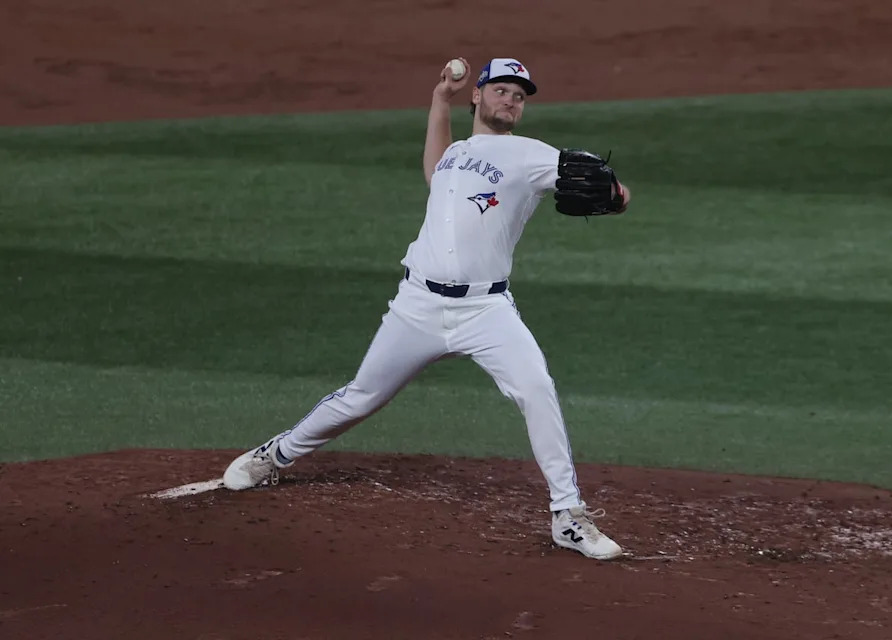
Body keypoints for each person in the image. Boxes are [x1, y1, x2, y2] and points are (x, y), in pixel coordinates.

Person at [223, 57, 632, 561]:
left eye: (520, 95)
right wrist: (439, 99)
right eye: (502, 89)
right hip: (417, 304)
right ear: (477, 96)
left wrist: (615, 196)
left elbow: (615, 193)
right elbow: (435, 171)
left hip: (486, 309)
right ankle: (275, 455)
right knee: (361, 397)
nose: (511, 100)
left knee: (536, 388)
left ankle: (567, 515)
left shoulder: (532, 155)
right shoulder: (458, 153)